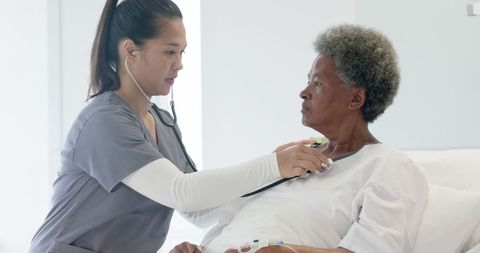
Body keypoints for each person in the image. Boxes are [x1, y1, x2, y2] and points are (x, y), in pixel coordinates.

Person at [28, 1, 329, 252]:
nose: (180, 63)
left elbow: (200, 210)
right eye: (170, 52)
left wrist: (275, 170)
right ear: (131, 51)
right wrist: (274, 165)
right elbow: (181, 192)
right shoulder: (103, 122)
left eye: (182, 52)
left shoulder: (162, 123)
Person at [170, 24, 429, 253]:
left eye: (317, 83)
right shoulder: (294, 157)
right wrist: (198, 249)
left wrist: (289, 252)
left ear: (355, 99)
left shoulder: (387, 166)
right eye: (308, 81)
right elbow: (231, 223)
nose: (303, 92)